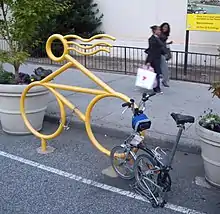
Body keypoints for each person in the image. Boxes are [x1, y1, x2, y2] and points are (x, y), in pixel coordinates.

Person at [145, 25, 166, 93]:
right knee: (156, 74)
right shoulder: (152, 39)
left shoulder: (158, 38)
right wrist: (149, 61)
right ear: (154, 31)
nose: (160, 31)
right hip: (154, 59)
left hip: (158, 58)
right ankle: (157, 88)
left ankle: (156, 87)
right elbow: (152, 50)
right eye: (158, 30)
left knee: (157, 73)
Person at [160, 22, 172, 87]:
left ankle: (164, 80)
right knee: (164, 68)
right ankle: (164, 81)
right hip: (159, 53)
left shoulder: (164, 35)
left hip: (162, 53)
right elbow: (160, 43)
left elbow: (163, 43)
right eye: (164, 27)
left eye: (166, 27)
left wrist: (167, 43)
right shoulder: (160, 34)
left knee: (164, 68)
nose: (165, 28)